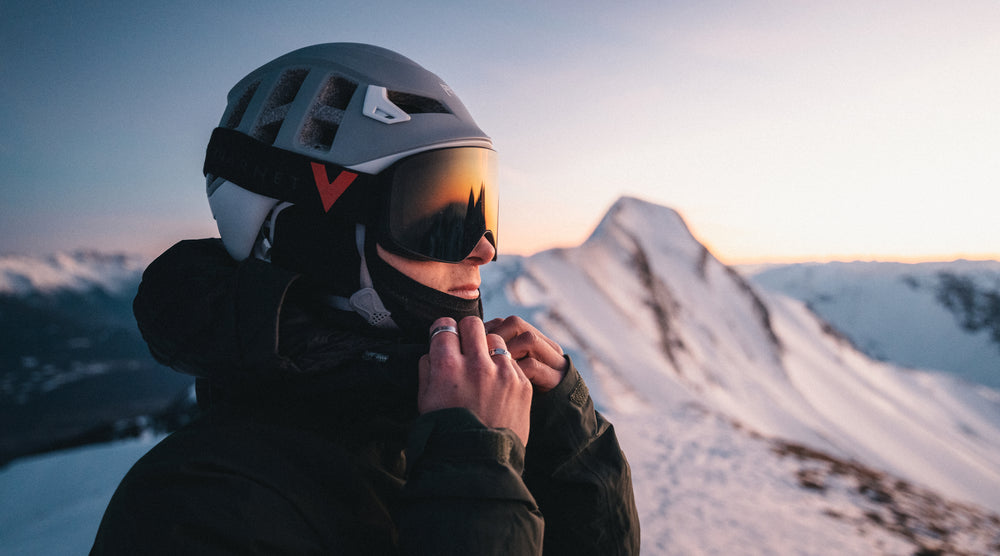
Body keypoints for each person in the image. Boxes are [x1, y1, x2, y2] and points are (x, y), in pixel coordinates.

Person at [91, 43, 639, 555]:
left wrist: (566, 440)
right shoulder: (194, 509)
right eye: (436, 218)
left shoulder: (424, 422)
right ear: (311, 238)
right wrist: (477, 469)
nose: (482, 249)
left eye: (480, 209)